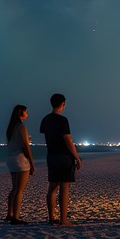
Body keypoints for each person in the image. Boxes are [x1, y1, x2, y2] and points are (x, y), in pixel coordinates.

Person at [40, 93, 82, 226]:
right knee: (64, 187)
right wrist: (77, 157)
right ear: (63, 104)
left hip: (51, 156)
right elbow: (68, 141)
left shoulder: (45, 119)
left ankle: (51, 218)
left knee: (52, 187)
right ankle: (63, 219)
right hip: (64, 156)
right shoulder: (63, 120)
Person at [4, 104, 35, 224]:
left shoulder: (10, 128)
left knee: (14, 189)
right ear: (21, 113)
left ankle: (9, 214)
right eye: (26, 112)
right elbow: (25, 147)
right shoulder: (22, 127)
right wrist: (32, 162)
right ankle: (16, 217)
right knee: (19, 190)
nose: (27, 114)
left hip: (11, 159)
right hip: (20, 160)